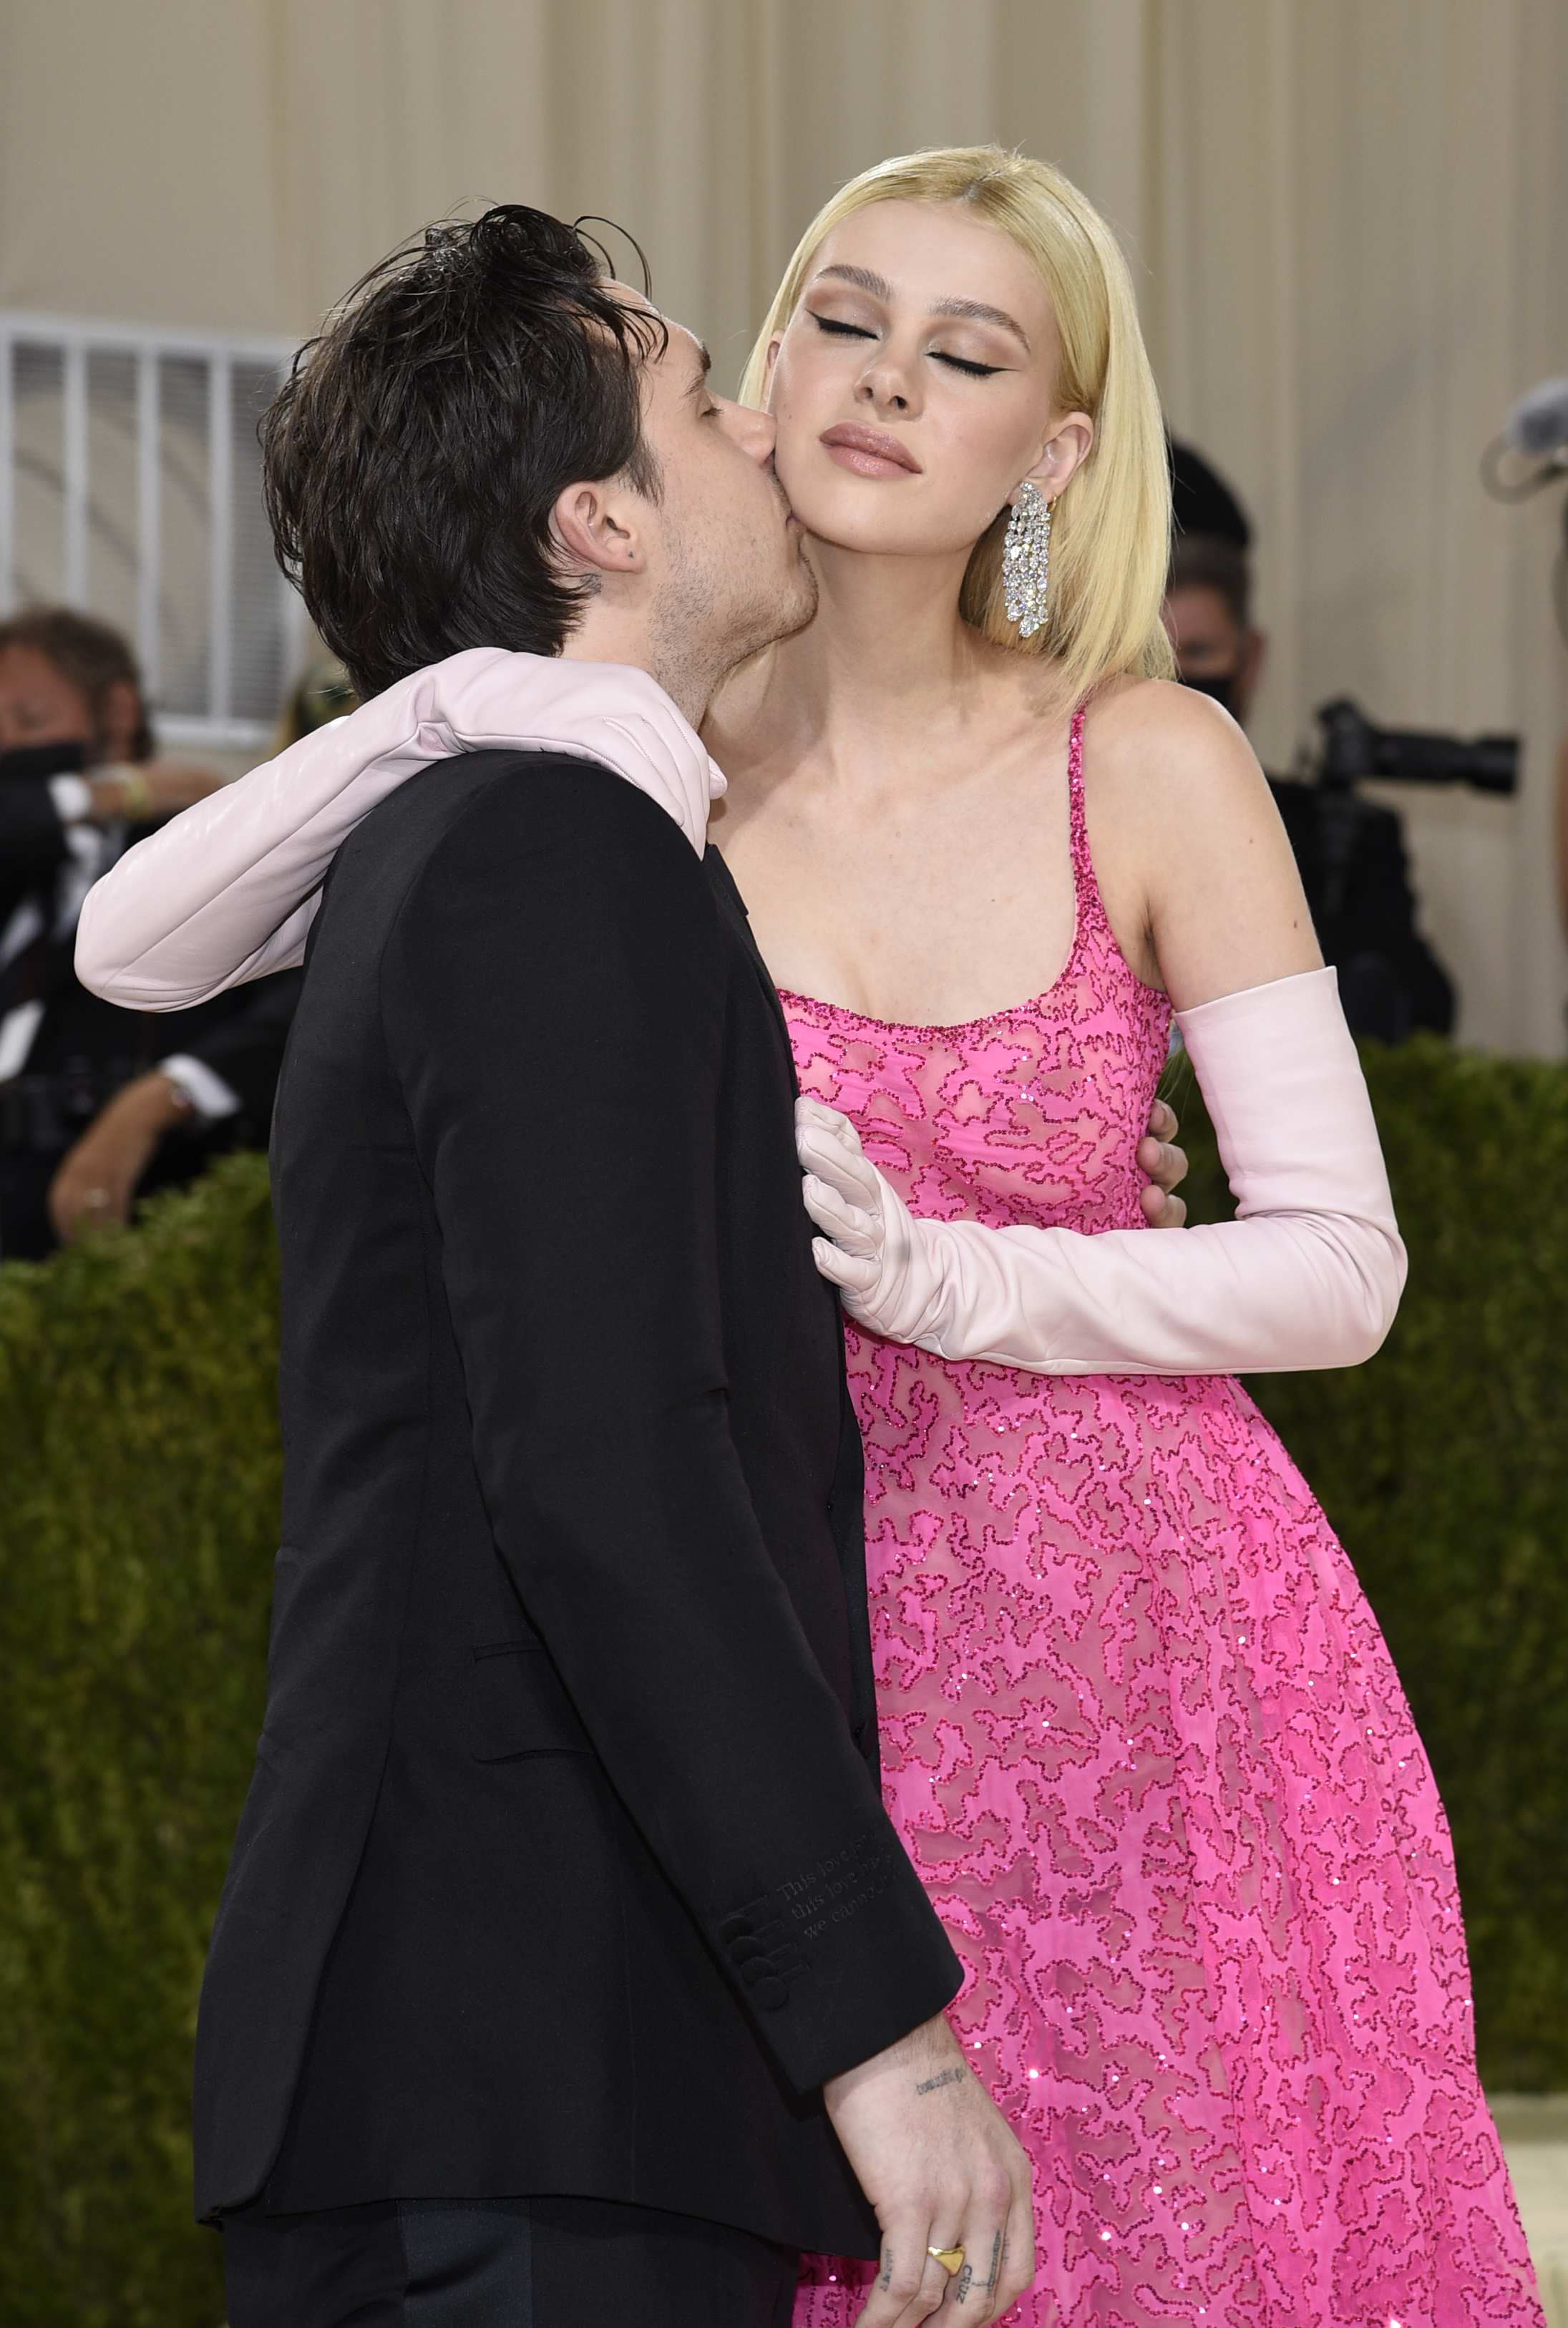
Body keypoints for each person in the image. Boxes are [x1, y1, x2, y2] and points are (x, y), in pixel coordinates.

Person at [77, 159, 1543, 2326]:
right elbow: (159, 947)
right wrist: (448, 688)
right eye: (835, 323)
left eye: (962, 355)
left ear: (1050, 456)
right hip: (796, 1675)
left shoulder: (1141, 760)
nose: (873, 386)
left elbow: (1340, 1262)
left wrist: (976, 1274)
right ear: (743, 385)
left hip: (1145, 1661)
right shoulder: (608, 767)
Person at [84, 205, 1063, 2328]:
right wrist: (883, 2034)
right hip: (524, 2064)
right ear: (599, 517)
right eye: (712, 395)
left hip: (501, 2071)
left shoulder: (499, 823)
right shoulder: (549, 845)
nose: (773, 425)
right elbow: (613, 1480)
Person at [0, 608, 299, 1257]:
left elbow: (304, 992)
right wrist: (103, 793)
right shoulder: (23, 853)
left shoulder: (209, 838)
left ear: (118, 711)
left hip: (143, 1224)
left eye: (29, 722)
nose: (9, 750)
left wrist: (167, 1095)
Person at [1162, 443, 1456, 1041]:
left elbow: (1422, 1004)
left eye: (1200, 653)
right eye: (1158, 656)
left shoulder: (1338, 836)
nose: (1180, 679)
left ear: (1251, 660)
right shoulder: (1070, 830)